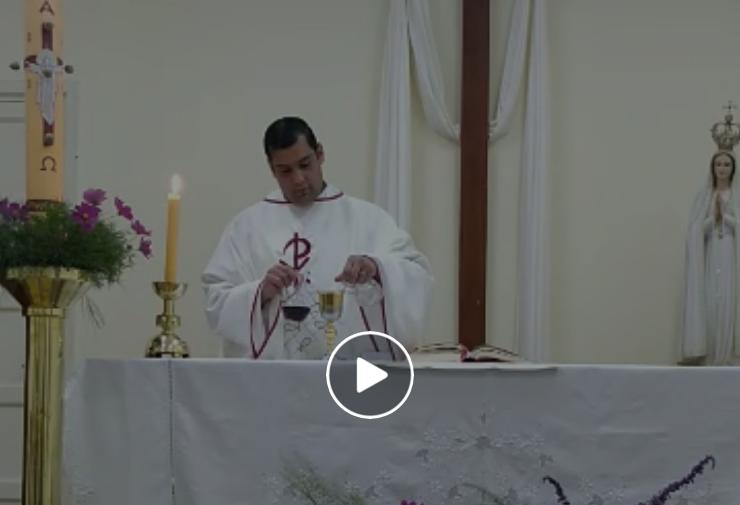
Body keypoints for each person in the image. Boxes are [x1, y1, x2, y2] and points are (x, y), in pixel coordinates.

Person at [202, 117, 433, 359]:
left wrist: (376, 269)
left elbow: (416, 274)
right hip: (270, 381)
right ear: (272, 169)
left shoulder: (368, 220)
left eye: (305, 164)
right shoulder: (246, 228)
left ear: (320, 154)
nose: (299, 179)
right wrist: (260, 293)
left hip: (347, 378)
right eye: (286, 171)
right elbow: (216, 299)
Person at [682, 150, 740, 365]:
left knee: (728, 303)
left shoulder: (737, 195)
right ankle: (710, 359)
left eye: (726, 164)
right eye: (718, 164)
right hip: (711, 256)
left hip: (731, 259)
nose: (722, 168)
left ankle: (726, 359)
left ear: (733, 168)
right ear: (712, 168)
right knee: (710, 305)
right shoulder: (704, 196)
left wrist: (726, 216)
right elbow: (694, 232)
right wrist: (711, 219)